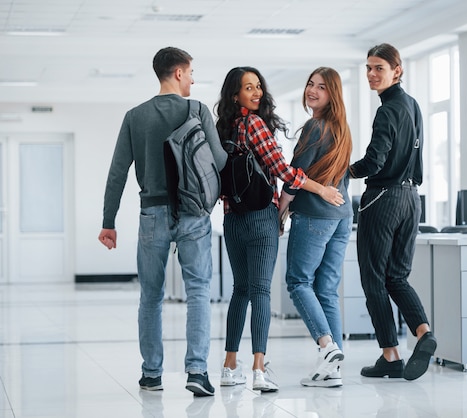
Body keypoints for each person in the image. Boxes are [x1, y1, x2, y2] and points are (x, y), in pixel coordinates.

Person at [98, 46, 227, 397]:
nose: (193, 79)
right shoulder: (197, 109)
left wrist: (108, 221)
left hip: (152, 212)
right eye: (191, 72)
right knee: (199, 291)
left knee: (151, 296)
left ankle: (152, 374)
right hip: (194, 213)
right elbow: (217, 160)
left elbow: (116, 174)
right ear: (180, 73)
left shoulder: (135, 116)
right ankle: (197, 372)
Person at [215, 66, 345, 393]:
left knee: (240, 290)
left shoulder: (222, 128)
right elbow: (283, 170)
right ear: (236, 95)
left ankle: (230, 366)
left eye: (258, 86)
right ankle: (259, 369)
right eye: (249, 88)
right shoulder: (255, 124)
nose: (257, 92)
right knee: (260, 292)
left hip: (232, 219)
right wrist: (322, 190)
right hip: (261, 217)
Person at [349, 43, 437, 381]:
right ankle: (423, 333)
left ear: (396, 71)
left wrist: (345, 170)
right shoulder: (412, 105)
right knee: (396, 276)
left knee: (373, 279)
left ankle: (390, 355)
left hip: (382, 198)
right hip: (411, 199)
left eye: (379, 68)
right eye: (368, 68)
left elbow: (375, 160)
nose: (372, 75)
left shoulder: (387, 110)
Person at [278, 67, 353, 388]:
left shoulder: (315, 127)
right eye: (310, 84)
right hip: (342, 215)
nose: (313, 90)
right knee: (325, 290)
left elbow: (295, 174)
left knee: (297, 282)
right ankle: (332, 369)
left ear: (331, 94)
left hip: (316, 216)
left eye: (321, 87)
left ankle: (327, 346)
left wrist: (281, 209)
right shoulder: (342, 129)